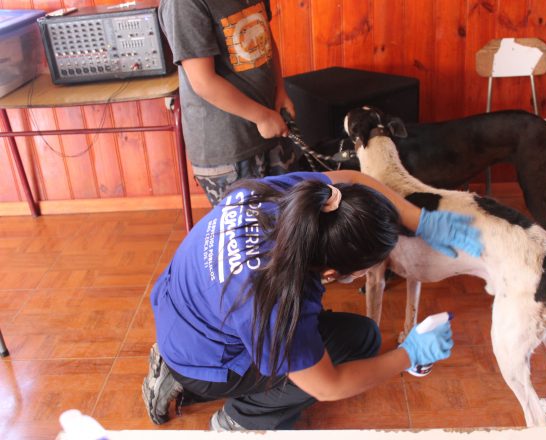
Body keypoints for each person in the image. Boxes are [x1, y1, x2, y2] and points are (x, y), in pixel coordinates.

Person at [142, 170, 483, 431]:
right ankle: (240, 422)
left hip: (180, 308)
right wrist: (410, 354)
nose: (368, 273)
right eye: (367, 268)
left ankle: (175, 370)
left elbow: (350, 180)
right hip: (206, 355)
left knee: (355, 336)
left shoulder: (298, 199)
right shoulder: (275, 298)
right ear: (332, 272)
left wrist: (419, 219)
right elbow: (328, 386)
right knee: (356, 344)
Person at [159, 0, 297, 206]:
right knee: (249, 232)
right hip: (230, 147)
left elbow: (263, 36)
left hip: (272, 125)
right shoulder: (182, 4)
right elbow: (203, 81)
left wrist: (281, 91)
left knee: (290, 223)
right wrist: (262, 117)